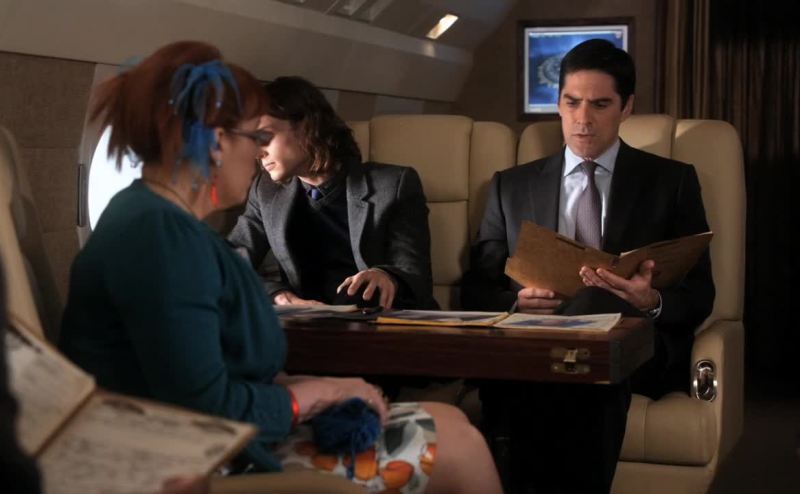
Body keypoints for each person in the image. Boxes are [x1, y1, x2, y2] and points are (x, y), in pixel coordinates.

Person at [59, 41, 501, 494]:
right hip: (192, 460)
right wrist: (319, 393)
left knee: (450, 421)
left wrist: (321, 385)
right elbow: (207, 411)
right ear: (217, 144)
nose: (257, 155)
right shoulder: (161, 237)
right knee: (460, 445)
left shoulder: (159, 222)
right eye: (252, 139)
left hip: (212, 439)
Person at [461, 39, 714, 493]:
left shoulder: (671, 183)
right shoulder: (509, 187)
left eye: (600, 104)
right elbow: (476, 290)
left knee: (596, 304)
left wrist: (650, 301)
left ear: (626, 107)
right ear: (558, 105)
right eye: (572, 102)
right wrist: (516, 303)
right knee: (553, 372)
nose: (583, 119)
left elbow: (700, 294)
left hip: (633, 350)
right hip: (536, 346)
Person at [227, 76, 437, 311]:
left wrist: (386, 276)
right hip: (307, 323)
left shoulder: (393, 184)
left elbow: (415, 276)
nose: (257, 152)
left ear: (306, 128)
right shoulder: (266, 190)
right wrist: (277, 295)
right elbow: (228, 263)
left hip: (376, 319)